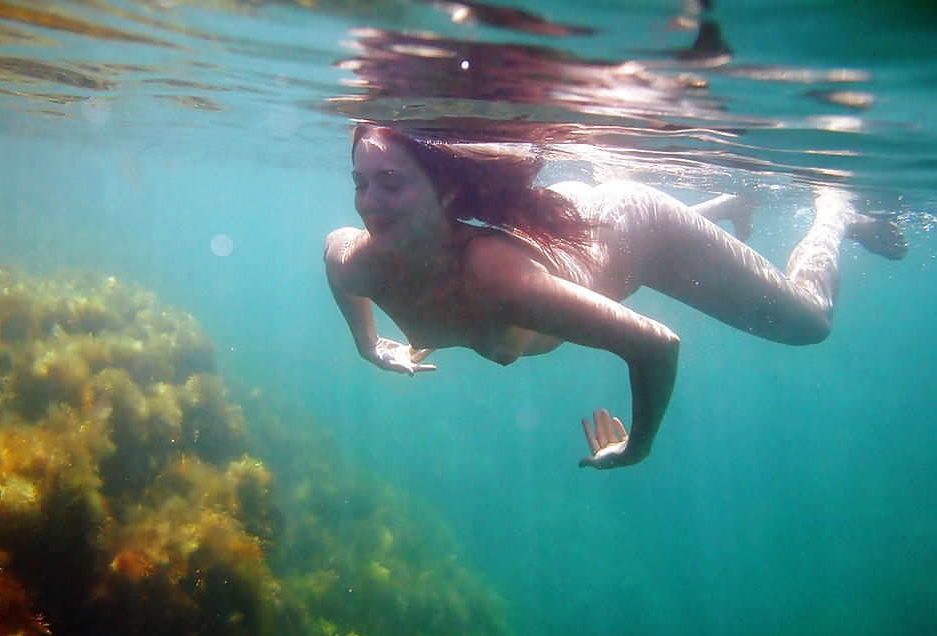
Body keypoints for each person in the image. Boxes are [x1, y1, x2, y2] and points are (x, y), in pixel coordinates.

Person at [324, 125, 907, 470]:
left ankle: (835, 213)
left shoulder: (498, 282)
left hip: (635, 226)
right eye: (360, 182)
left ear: (446, 188)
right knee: (609, 268)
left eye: (392, 182)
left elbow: (657, 345)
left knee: (808, 323)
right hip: (584, 235)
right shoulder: (362, 262)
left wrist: (637, 448)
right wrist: (370, 346)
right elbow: (335, 254)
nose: (368, 204)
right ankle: (727, 209)